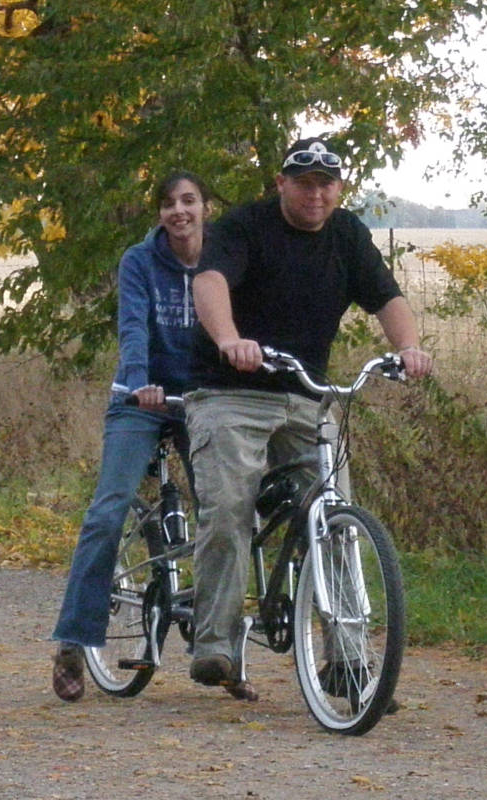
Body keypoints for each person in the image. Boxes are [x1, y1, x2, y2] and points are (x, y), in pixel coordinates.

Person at [185, 138, 434, 699]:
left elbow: (387, 298)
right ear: (281, 184)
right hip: (232, 392)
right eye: (304, 182)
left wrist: (409, 347)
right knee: (230, 504)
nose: (316, 192)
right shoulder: (243, 227)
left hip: (306, 395)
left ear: (338, 187)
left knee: (337, 518)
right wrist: (229, 339)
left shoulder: (347, 234)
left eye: (327, 182)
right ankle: (216, 644)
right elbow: (210, 281)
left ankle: (348, 662)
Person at [49, 172, 211, 701]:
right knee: (108, 509)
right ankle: (74, 639)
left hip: (203, 400)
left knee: (226, 507)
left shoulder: (224, 259)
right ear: (159, 213)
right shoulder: (139, 261)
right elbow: (134, 327)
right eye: (168, 204)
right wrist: (140, 381)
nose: (179, 211)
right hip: (139, 398)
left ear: (205, 207)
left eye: (188, 201)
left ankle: (219, 645)